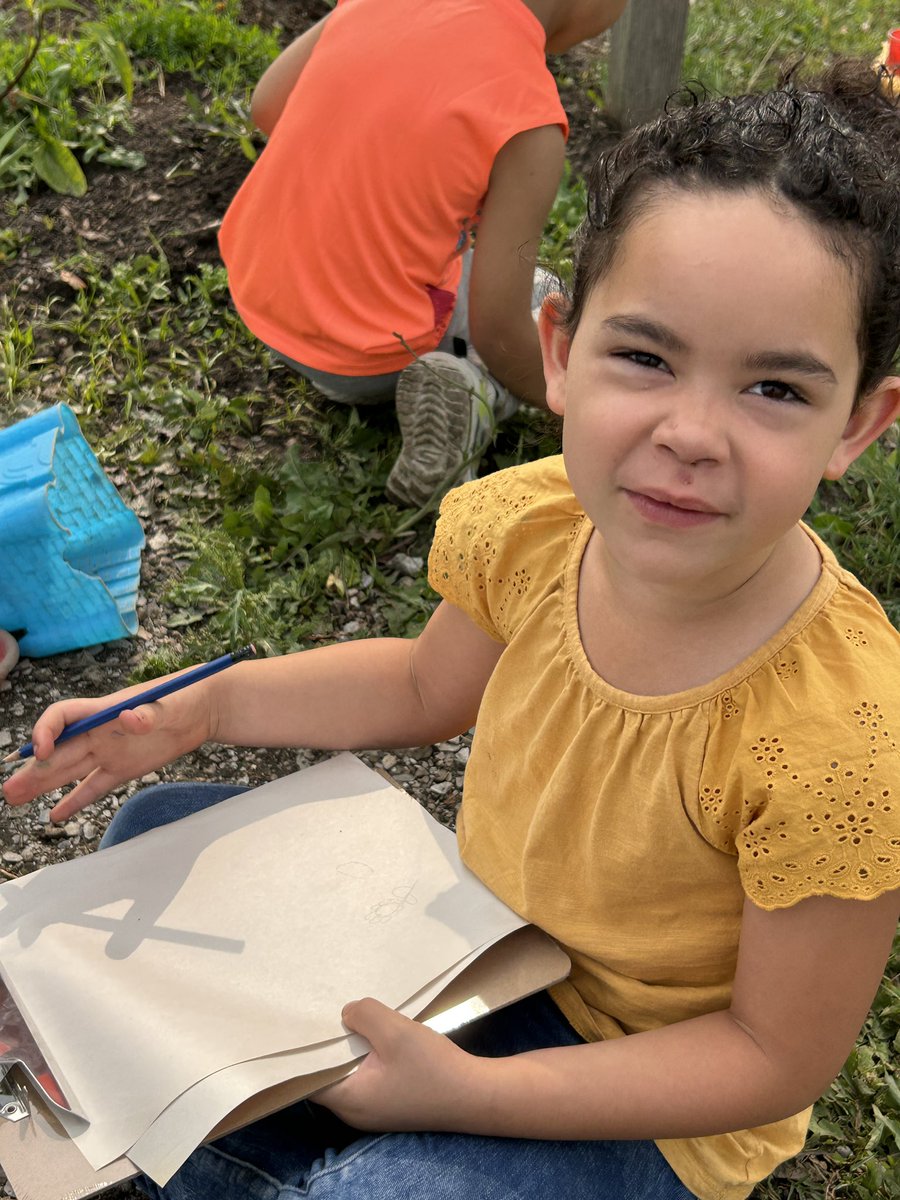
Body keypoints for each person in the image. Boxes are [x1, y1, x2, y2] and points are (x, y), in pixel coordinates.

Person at [5, 59, 900, 1200]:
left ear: (858, 424)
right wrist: (205, 709)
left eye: (774, 390)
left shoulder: (847, 738)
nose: (691, 432)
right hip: (472, 950)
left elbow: (771, 1060)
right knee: (158, 832)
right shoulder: (538, 526)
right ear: (562, 349)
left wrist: (460, 1097)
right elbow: (428, 687)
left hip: (646, 1093)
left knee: (367, 1188)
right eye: (646, 356)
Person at [218, 0, 626, 507]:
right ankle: (472, 391)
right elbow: (498, 330)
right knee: (543, 298)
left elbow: (268, 105)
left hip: (258, 294)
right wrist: (573, 405)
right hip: (366, 354)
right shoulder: (528, 114)